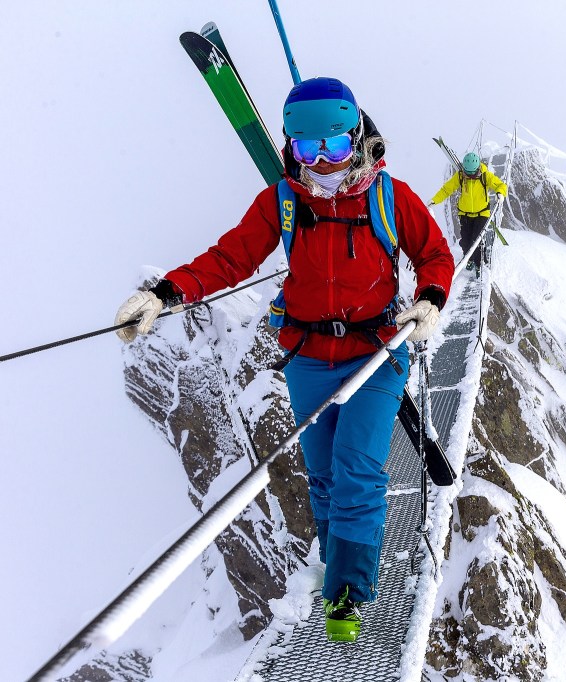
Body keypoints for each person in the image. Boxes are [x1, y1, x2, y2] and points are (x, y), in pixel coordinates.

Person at [113, 77, 454, 644]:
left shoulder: (390, 197)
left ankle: (347, 590)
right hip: (308, 356)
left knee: (356, 469)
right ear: (289, 146)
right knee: (322, 476)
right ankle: (336, 562)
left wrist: (429, 300)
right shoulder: (283, 201)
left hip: (376, 353)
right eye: (306, 150)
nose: (321, 164)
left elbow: (434, 254)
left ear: (357, 137)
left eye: (336, 149)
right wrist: (165, 294)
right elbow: (231, 257)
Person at [429, 152, 508, 272]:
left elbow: (500, 185)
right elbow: (446, 190)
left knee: (477, 239)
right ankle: (469, 259)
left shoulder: (485, 176)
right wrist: (434, 201)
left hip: (482, 213)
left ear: (477, 169)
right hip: (465, 214)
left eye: (473, 173)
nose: (470, 176)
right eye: (468, 173)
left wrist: (500, 193)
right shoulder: (460, 176)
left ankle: (479, 263)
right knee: (465, 241)